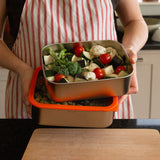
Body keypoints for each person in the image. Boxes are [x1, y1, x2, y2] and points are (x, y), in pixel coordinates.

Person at [0, 0, 148, 119]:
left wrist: (130, 51)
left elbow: (135, 21)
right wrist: (22, 69)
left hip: (104, 104)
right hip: (32, 101)